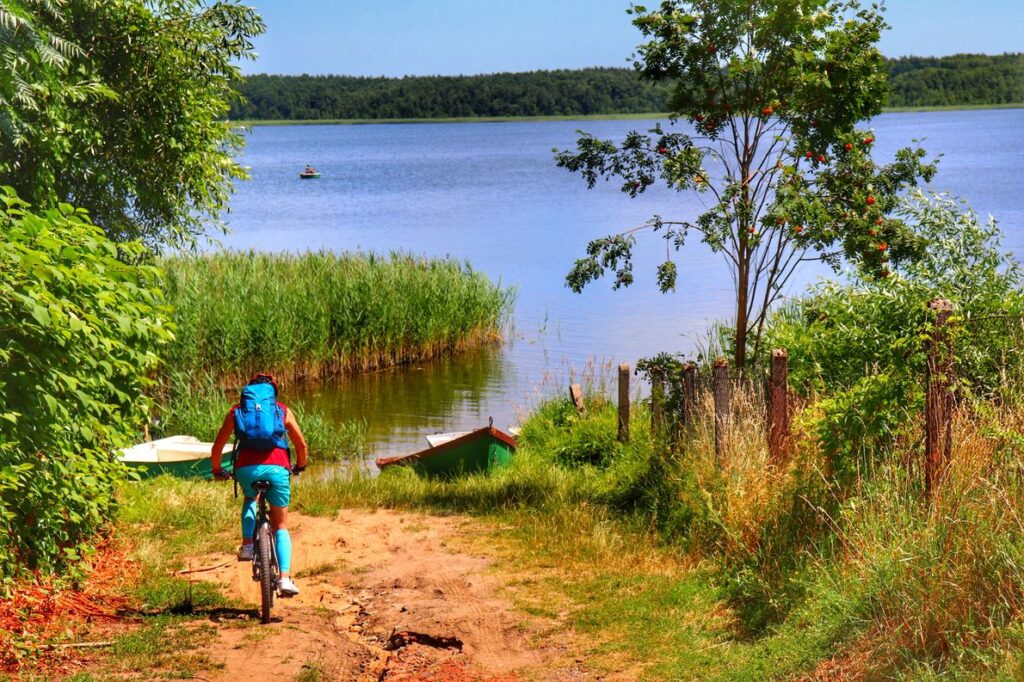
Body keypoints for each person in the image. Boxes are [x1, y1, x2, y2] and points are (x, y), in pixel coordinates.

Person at [211, 373, 308, 597]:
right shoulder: (282, 410)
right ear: (273, 394)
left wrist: (217, 470)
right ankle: (284, 579)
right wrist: (300, 466)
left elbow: (217, 448)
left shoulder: (236, 412)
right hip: (278, 468)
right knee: (281, 524)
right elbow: (301, 444)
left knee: (250, 497)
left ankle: (247, 545)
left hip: (245, 469)